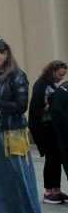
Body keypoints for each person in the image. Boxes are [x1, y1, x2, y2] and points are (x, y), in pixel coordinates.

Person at [0, 36, 42, 213]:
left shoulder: (17, 75)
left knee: (19, 175)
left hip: (13, 131)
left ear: (5, 54)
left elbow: (21, 105)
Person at [29, 60, 68, 204]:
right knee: (51, 158)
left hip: (54, 126)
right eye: (59, 75)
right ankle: (48, 191)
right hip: (44, 127)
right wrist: (53, 105)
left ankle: (56, 190)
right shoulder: (41, 84)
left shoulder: (54, 85)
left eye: (63, 75)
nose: (61, 78)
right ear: (52, 72)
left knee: (57, 158)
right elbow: (38, 107)